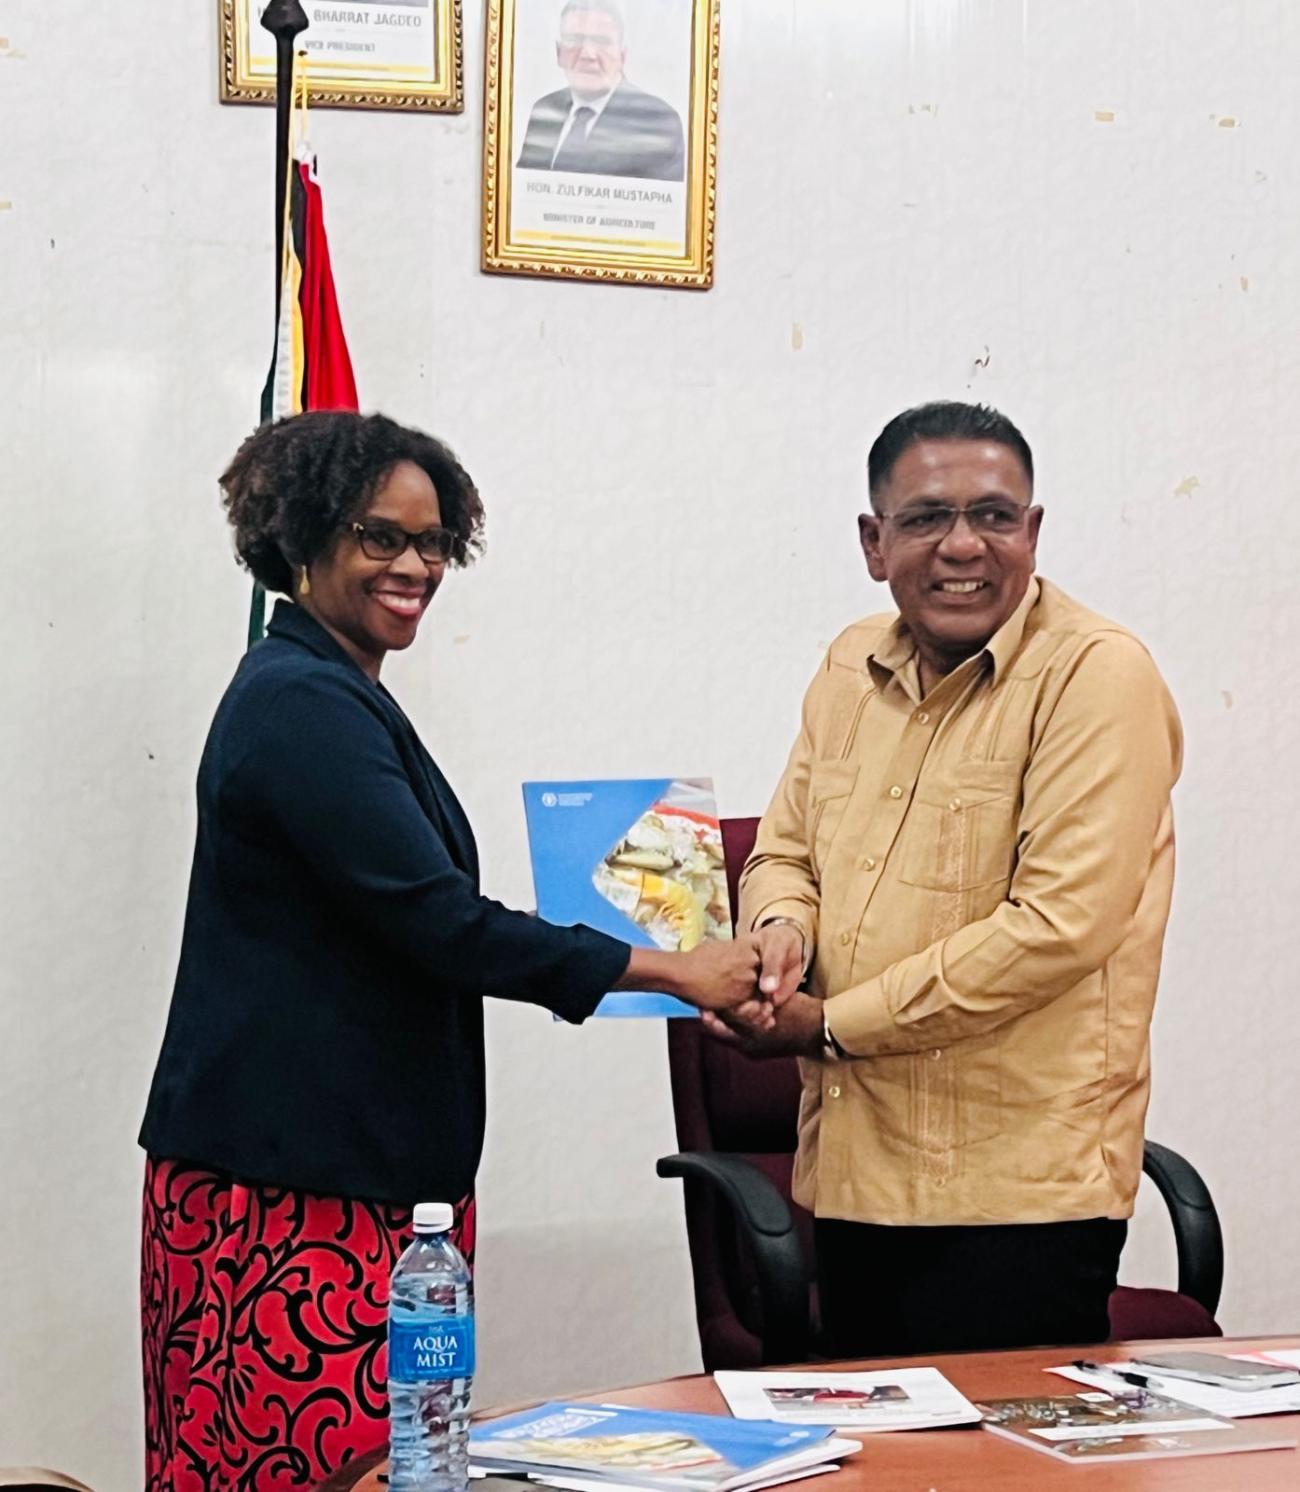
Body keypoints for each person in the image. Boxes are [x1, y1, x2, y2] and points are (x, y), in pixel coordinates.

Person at [138, 411, 774, 1492]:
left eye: (432, 542)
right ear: (299, 541)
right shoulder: (300, 705)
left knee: (396, 1467)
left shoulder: (338, 692)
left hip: (364, 1196)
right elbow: (441, 921)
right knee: (317, 1477)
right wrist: (674, 966)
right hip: (287, 1204)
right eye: (378, 536)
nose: (414, 565)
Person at [708, 401, 1182, 1358]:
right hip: (854, 1173)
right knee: (878, 1462)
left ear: (1034, 532)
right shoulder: (851, 664)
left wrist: (832, 1025)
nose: (962, 547)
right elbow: (785, 851)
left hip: (1015, 1197)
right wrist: (780, 937)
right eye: (926, 519)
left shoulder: (1097, 677)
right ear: (874, 542)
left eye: (995, 516)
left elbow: (1059, 926)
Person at [516, 0, 686, 182]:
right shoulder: (544, 111)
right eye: (574, 40)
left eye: (602, 42)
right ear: (559, 53)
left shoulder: (656, 121)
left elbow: (655, 207)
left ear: (622, 56)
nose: (587, 54)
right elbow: (524, 192)